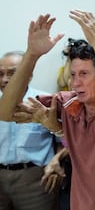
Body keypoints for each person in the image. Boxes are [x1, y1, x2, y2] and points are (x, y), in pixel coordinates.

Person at [13, 10, 95, 210]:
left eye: (84, 74)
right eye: (73, 74)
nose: (76, 82)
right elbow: (7, 111)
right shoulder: (68, 103)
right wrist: (31, 56)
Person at [0, 50, 61, 210]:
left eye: (12, 73)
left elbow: (66, 141)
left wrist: (57, 161)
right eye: (0, 74)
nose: (5, 79)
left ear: (29, 75)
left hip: (35, 181)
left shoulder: (47, 102)